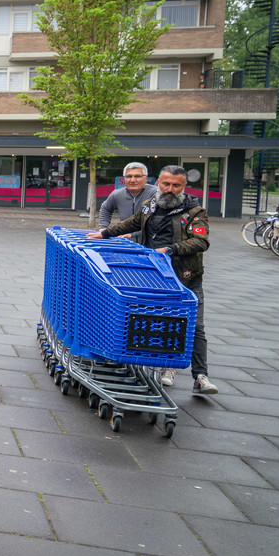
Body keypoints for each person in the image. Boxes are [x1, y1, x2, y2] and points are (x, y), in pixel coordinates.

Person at [87, 165, 216, 395]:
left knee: (195, 325)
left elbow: (201, 242)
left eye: (176, 185)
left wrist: (169, 249)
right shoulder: (151, 206)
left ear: (184, 186)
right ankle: (165, 368)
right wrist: (105, 233)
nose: (170, 189)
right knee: (159, 321)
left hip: (186, 277)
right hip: (154, 277)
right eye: (166, 184)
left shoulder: (195, 212)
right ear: (158, 183)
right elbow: (132, 223)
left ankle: (201, 376)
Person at [98, 162, 157, 228]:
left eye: (137, 176)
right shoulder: (117, 194)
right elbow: (105, 208)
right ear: (124, 178)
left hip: (148, 237)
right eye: (129, 176)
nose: (132, 180)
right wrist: (103, 228)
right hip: (124, 237)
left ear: (145, 178)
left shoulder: (155, 194)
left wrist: (132, 234)